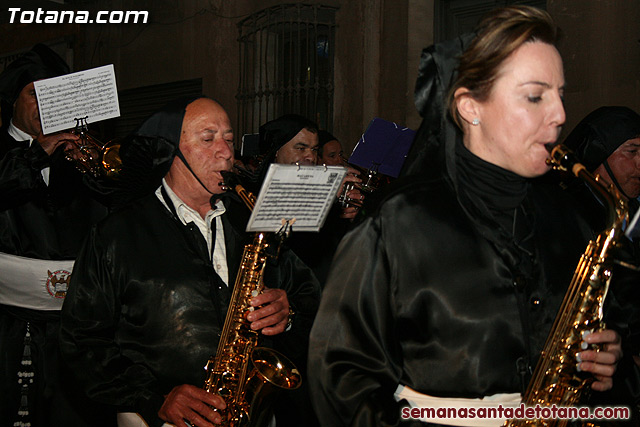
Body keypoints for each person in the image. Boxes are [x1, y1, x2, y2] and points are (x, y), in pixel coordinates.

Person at [308, 6, 623, 427]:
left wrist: (604, 358)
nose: (560, 115)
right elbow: (339, 379)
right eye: (535, 96)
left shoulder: (573, 217)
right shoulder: (397, 224)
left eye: (560, 94)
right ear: (470, 106)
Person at [58, 96, 320, 427]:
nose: (226, 151)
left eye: (228, 137)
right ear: (170, 151)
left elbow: (311, 295)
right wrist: (152, 398)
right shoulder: (116, 234)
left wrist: (289, 311)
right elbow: (81, 342)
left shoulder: (253, 220)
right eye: (208, 138)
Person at [0, 44, 110, 426]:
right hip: (8, 320)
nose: (46, 104)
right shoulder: (5, 151)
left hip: (72, 317)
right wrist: (38, 154)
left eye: (54, 95)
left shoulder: (74, 155)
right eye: (36, 93)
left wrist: (99, 168)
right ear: (13, 100)